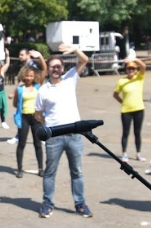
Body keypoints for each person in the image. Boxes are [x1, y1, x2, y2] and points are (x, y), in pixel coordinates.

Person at [35, 44, 93, 218]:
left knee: (77, 171)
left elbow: (85, 60)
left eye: (58, 66)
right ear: (49, 68)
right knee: (50, 172)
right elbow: (38, 113)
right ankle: (47, 203)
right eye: (52, 66)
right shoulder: (43, 90)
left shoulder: (70, 78)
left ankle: (80, 204)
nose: (55, 69)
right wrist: (49, 125)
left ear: (62, 68)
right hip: (54, 136)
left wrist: (74, 49)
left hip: (74, 134)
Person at [7, 49, 46, 144]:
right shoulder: (26, 65)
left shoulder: (31, 66)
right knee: (23, 115)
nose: (20, 56)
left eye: (22, 55)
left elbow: (42, 73)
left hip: (32, 93)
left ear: (28, 55)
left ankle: (42, 135)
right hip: (25, 93)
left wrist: (14, 92)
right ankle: (20, 136)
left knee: (36, 116)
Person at [113, 57, 148, 162]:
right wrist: (122, 101)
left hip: (139, 109)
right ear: (126, 70)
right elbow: (115, 94)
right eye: (129, 69)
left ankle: (138, 153)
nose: (131, 71)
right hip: (126, 110)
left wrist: (134, 59)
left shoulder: (139, 78)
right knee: (126, 132)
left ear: (136, 70)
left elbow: (144, 66)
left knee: (137, 132)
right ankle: (124, 153)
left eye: (133, 69)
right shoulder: (121, 81)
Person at [13, 65, 44, 179]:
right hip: (24, 117)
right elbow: (15, 103)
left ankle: (41, 168)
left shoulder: (38, 87)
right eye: (27, 75)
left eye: (31, 76)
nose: (29, 78)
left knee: (38, 144)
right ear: (23, 76)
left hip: (36, 118)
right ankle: (19, 169)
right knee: (21, 143)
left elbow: (44, 69)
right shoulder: (20, 89)